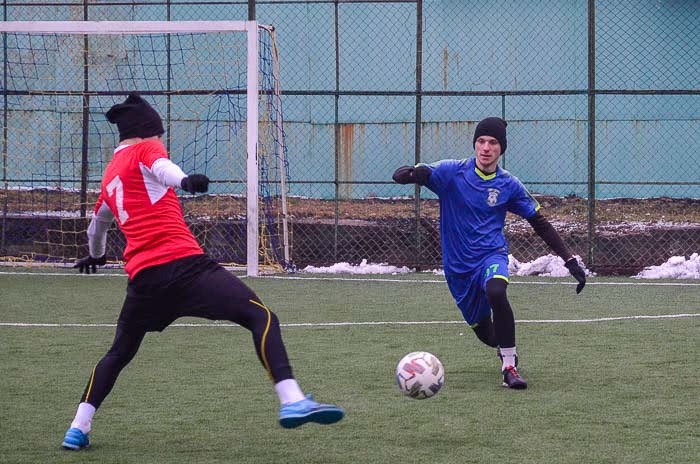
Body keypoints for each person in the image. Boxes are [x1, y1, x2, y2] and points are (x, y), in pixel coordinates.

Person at [62, 93, 344, 450]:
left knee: (118, 354)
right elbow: (164, 169)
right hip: (185, 268)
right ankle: (292, 400)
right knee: (261, 316)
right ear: (148, 132)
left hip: (144, 281)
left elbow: (96, 227)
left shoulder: (110, 176)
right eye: (160, 134)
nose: (162, 141)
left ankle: (78, 427)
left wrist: (97, 256)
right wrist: (185, 182)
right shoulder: (146, 151)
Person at [392, 116, 586, 390]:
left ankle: (509, 367)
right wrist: (414, 174)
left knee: (496, 290)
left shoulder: (509, 184)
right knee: (490, 336)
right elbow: (405, 173)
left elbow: (539, 223)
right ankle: (504, 347)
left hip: (491, 255)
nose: (486, 147)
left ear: (501, 149)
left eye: (493, 143)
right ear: (474, 145)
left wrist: (569, 259)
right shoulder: (451, 172)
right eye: (481, 141)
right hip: (458, 269)